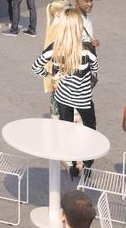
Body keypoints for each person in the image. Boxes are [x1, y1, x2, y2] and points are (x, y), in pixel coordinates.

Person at [34, 10, 100, 176]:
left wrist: (52, 75)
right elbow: (95, 70)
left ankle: (72, 166)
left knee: (67, 131)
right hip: (83, 98)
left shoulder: (55, 48)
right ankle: (87, 164)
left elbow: (36, 67)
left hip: (63, 97)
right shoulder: (88, 49)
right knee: (90, 129)